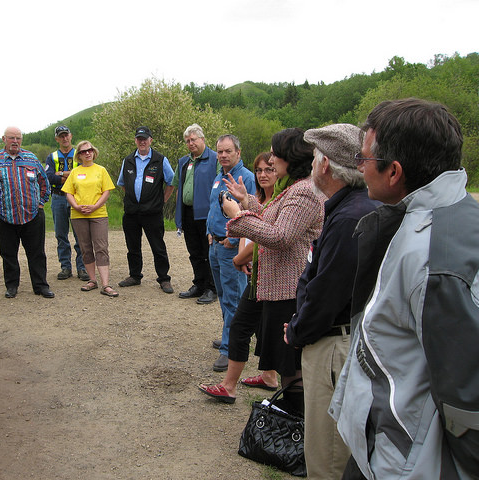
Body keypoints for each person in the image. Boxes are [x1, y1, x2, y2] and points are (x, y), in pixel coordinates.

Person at [331, 99, 479, 479]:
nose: (360, 169)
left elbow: (468, 407)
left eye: (363, 160)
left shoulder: (433, 258)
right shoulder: (425, 219)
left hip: (406, 463)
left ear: (394, 171)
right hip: (385, 449)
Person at [279, 124, 379, 479]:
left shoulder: (349, 217)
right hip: (339, 337)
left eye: (314, 159)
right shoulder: (354, 206)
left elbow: (326, 294)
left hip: (333, 344)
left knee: (328, 457)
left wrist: (297, 331)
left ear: (325, 165)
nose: (310, 167)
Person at [199, 128, 323, 410]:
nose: (272, 160)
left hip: (287, 287)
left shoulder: (303, 192)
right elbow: (270, 218)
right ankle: (286, 408)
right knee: (267, 342)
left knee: (288, 358)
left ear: (288, 157)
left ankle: (293, 416)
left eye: (276, 154)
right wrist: (247, 200)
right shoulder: (291, 188)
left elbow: (279, 236)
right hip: (272, 283)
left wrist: (238, 215)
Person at [0, 126, 53, 299]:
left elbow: (45, 184)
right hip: (4, 217)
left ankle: (41, 286)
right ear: (4, 139)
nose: (15, 141)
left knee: (37, 253)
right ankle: (12, 286)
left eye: (18, 138)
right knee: (9, 254)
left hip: (32, 215)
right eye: (11, 138)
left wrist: (41, 204)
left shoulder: (31, 159)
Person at [204, 134, 256, 372]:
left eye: (227, 151)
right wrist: (208, 230)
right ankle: (228, 336)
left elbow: (251, 212)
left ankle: (229, 349)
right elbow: (214, 207)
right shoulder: (219, 177)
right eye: (219, 152)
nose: (223, 155)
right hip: (215, 245)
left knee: (234, 299)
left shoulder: (246, 178)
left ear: (238, 151)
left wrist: (234, 240)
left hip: (230, 248)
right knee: (224, 296)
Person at [116, 126, 174, 293]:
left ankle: (164, 279)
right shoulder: (127, 160)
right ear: (135, 141)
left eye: (145, 138)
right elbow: (122, 184)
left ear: (150, 140)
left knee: (158, 247)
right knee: (132, 247)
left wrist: (162, 200)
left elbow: (171, 182)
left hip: (153, 213)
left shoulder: (160, 160)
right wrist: (134, 198)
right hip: (132, 213)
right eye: (139, 139)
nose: (142, 141)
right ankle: (134, 276)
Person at [61, 141, 117, 296]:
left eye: (90, 150)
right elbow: (69, 193)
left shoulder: (101, 170)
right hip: (78, 215)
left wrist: (95, 206)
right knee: (85, 248)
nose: (87, 153)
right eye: (84, 151)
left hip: (98, 214)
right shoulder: (74, 172)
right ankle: (92, 280)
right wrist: (76, 206)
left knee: (101, 247)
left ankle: (106, 284)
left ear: (94, 152)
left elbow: (106, 192)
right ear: (79, 155)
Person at [173, 124, 218, 305]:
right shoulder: (184, 162)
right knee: (194, 253)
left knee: (209, 253)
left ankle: (211, 288)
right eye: (188, 141)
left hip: (207, 214)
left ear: (202, 139)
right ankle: (198, 284)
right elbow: (178, 186)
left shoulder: (214, 159)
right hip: (188, 213)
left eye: (194, 139)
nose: (191, 143)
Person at [45, 125, 89, 282]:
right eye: (61, 136)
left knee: (80, 234)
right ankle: (65, 267)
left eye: (66, 135)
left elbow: (83, 173)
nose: (64, 138)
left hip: (77, 197)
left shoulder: (79, 154)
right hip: (58, 197)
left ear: (71, 136)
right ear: (57, 139)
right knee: (61, 234)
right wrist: (71, 176)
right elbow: (49, 177)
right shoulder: (52, 156)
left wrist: (62, 174)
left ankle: (82, 267)